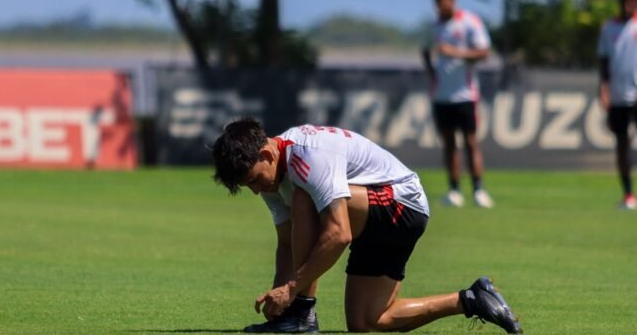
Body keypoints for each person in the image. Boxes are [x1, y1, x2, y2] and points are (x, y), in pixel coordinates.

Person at [212, 118, 522, 333]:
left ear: (266, 153)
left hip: (402, 204)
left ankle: (302, 314)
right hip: (378, 215)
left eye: (253, 180)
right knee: (367, 320)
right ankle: (472, 299)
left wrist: (293, 292)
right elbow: (287, 244)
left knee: (304, 198)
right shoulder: (271, 176)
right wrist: (279, 300)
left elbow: (338, 234)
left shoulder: (306, 155)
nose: (255, 190)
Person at [421, 0, 494, 208]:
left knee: (471, 141)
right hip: (442, 96)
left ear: (453, 0)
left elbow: (484, 53)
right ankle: (454, 190)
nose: (441, 6)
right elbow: (430, 54)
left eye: (445, 0)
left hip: (465, 94)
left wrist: (456, 53)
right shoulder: (435, 26)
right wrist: (430, 67)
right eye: (438, 2)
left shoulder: (469, 22)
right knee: (449, 143)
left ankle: (478, 189)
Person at [597, 0, 637, 210]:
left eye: (634, 3)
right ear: (621, 4)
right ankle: (629, 195)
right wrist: (603, 89)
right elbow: (603, 63)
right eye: (628, 3)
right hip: (618, 96)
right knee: (622, 145)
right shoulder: (608, 28)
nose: (631, 7)